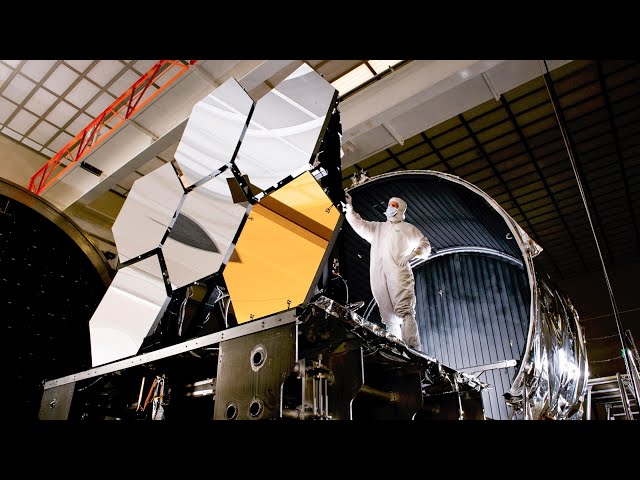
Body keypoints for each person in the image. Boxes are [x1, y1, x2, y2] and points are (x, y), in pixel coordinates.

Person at [344, 193, 431, 350]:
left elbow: (424, 244)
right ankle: (396, 349)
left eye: (394, 206)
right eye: (390, 205)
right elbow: (360, 225)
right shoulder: (378, 228)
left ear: (401, 210)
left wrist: (412, 254)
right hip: (379, 275)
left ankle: (413, 348)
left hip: (398, 274)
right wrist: (350, 209)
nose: (390, 208)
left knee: (404, 311)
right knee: (389, 317)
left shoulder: (408, 229)